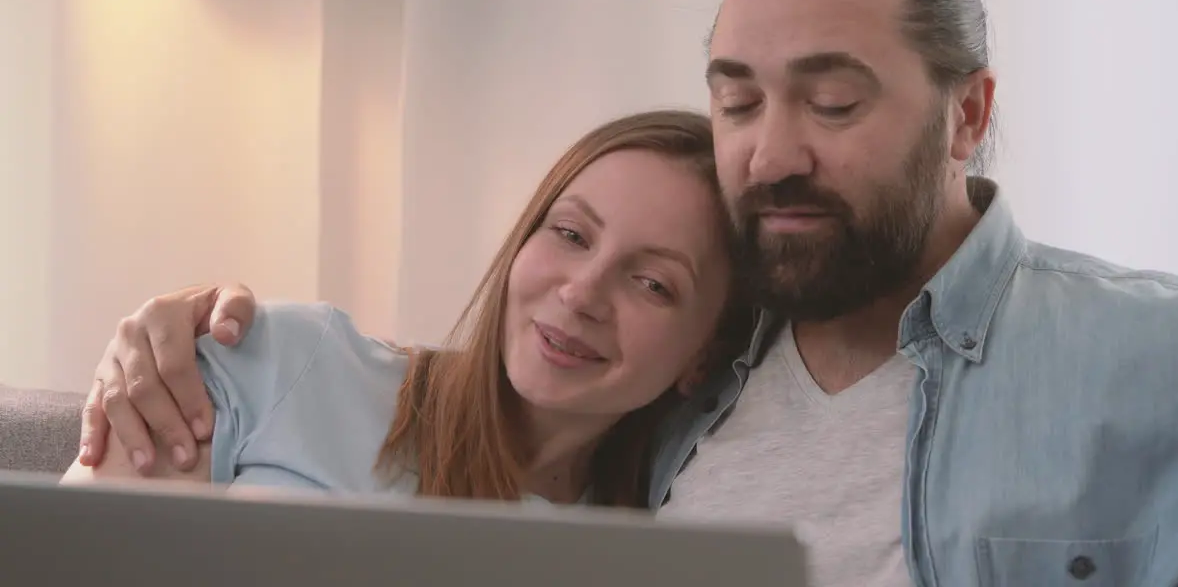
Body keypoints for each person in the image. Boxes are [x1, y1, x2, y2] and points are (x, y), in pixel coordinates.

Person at [78, 0, 1178, 586]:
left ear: (964, 113)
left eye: (834, 100)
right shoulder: (678, 405)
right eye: (737, 98)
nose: (771, 151)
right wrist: (180, 340)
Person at [64, 109, 752, 508]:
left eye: (653, 284)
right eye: (570, 234)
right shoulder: (285, 357)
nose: (581, 293)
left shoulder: (665, 524)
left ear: (704, 358)